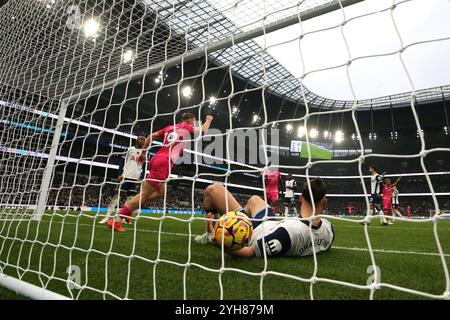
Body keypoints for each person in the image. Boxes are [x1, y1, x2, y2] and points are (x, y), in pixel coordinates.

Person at [107, 113, 213, 232]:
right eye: (193, 122)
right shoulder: (186, 127)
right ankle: (116, 220)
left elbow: (151, 136)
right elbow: (204, 129)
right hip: (164, 163)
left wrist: (143, 153)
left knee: (161, 193)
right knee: (144, 194)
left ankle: (130, 208)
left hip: (157, 159)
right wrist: (209, 120)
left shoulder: (169, 128)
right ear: (189, 121)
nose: (194, 124)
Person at [198, 178, 334, 258]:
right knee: (255, 200)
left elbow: (249, 252)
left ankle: (234, 226)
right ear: (325, 202)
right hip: (271, 224)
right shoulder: (328, 230)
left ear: (300, 198)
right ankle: (236, 219)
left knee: (213, 189)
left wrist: (219, 243)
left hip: (255, 232)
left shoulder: (288, 233)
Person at [99, 136, 146, 225]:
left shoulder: (145, 153)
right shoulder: (129, 149)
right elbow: (122, 162)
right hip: (125, 176)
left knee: (130, 199)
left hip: (135, 179)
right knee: (116, 197)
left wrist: (142, 177)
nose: (142, 141)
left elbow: (145, 167)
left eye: (144, 139)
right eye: (141, 139)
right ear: (137, 140)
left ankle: (123, 218)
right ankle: (106, 217)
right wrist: (119, 174)